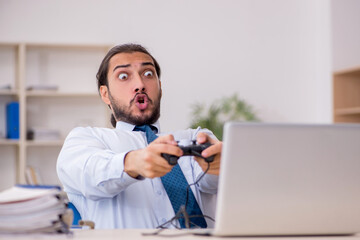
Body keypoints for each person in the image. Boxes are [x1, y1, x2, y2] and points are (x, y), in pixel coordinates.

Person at [56, 43, 222, 229]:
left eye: (148, 74)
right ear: (105, 94)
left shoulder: (196, 137)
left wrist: (221, 167)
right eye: (124, 76)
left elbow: (214, 183)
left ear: (159, 87)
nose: (140, 85)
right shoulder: (86, 138)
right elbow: (89, 173)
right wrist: (133, 162)